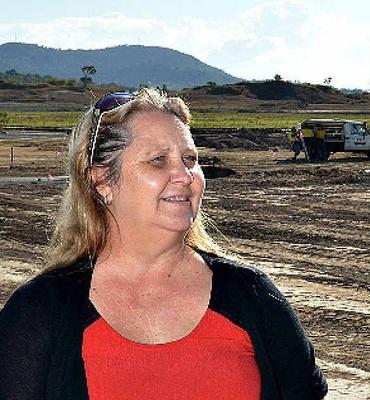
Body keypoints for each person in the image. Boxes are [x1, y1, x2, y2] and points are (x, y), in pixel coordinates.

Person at [0, 88, 327, 400]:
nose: (185, 175)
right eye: (158, 160)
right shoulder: (39, 312)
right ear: (101, 181)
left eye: (189, 159)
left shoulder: (253, 296)